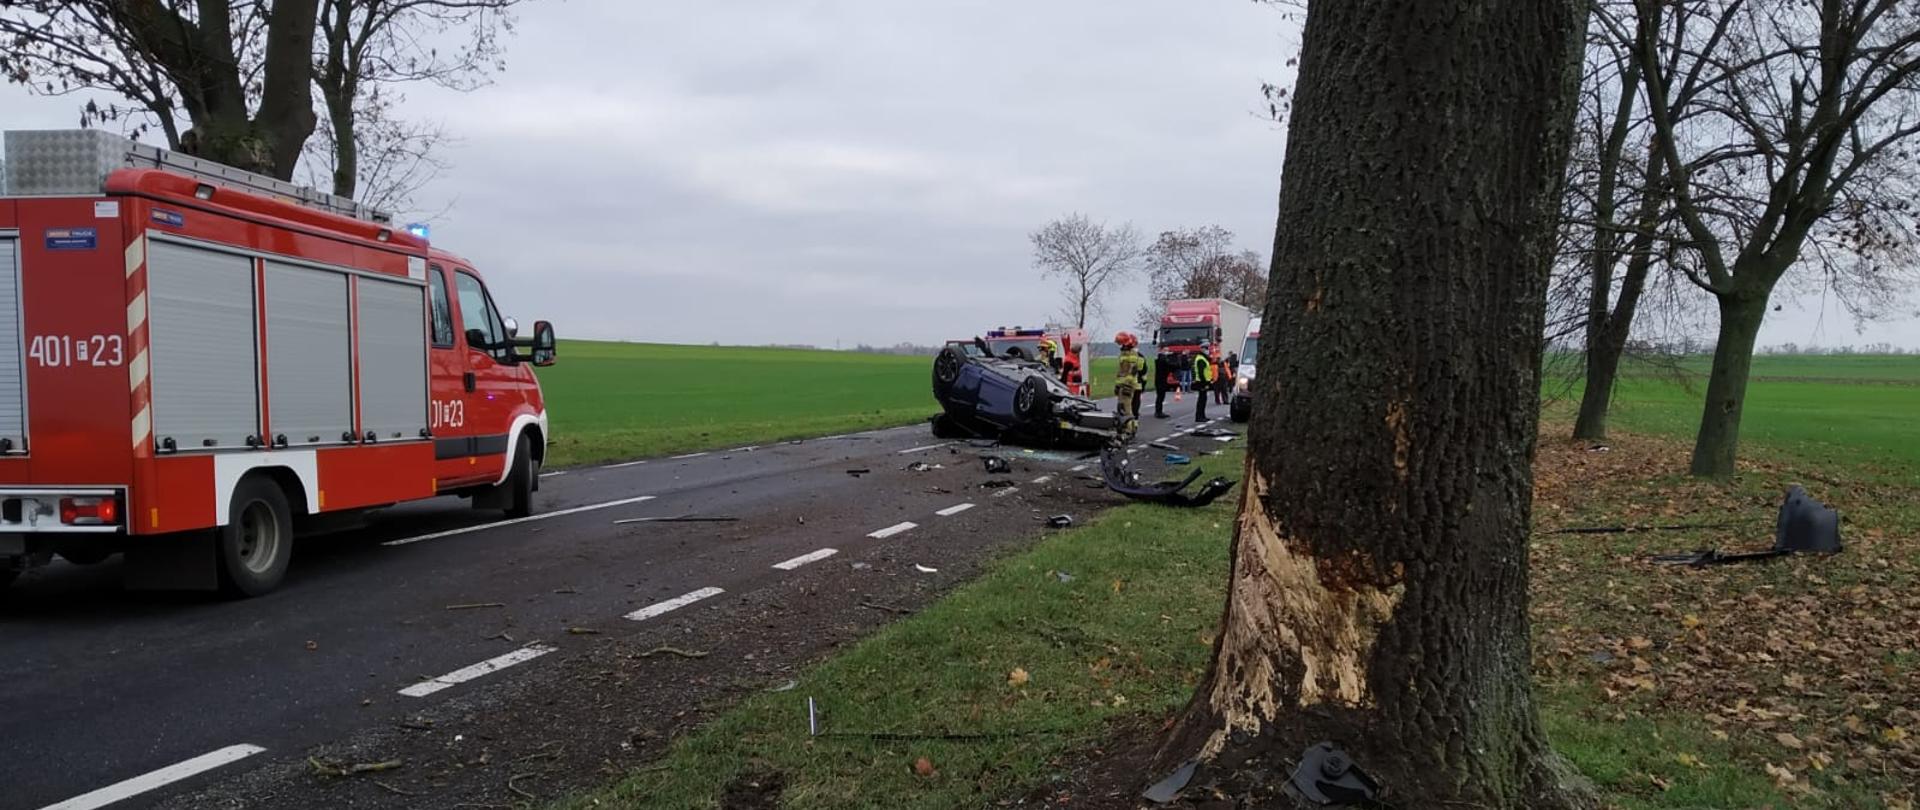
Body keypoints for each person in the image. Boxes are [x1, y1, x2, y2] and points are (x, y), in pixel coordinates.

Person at [1113, 332, 1146, 429]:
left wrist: (1127, 384)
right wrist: (1117, 385)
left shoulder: (1133, 355)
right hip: (1123, 386)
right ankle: (1125, 427)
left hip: (1129, 385)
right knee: (1122, 408)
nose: (1120, 346)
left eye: (1121, 343)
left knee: (1128, 409)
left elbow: (1133, 370)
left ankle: (1130, 429)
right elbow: (1121, 372)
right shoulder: (1123, 354)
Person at [1192, 344, 1215, 421]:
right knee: (1201, 400)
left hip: (1203, 382)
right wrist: (1205, 383)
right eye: (1206, 349)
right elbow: (1201, 373)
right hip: (1202, 382)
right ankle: (1199, 417)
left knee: (1203, 400)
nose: (1208, 350)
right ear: (1202, 349)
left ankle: (1202, 416)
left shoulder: (1203, 358)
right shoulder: (1201, 359)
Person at [1152, 345, 1175, 418]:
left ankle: (1159, 411)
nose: (1167, 352)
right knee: (1160, 396)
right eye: (1165, 350)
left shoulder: (1161, 358)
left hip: (1161, 379)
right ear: (1161, 350)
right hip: (1160, 380)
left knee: (1161, 396)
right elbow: (1168, 366)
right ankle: (1158, 412)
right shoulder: (1161, 359)